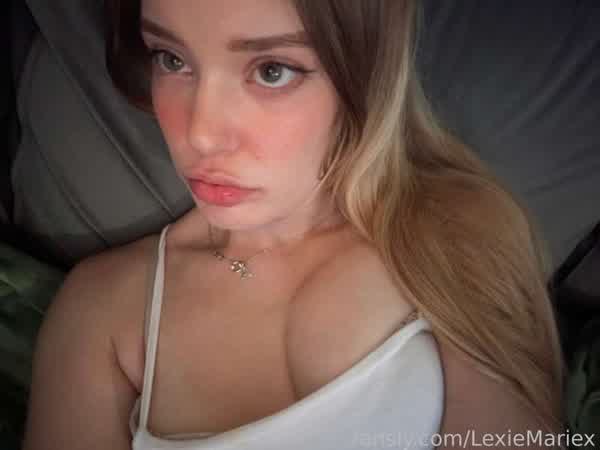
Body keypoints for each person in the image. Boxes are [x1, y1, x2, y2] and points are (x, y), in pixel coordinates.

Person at [22, 0, 566, 449]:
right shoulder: (103, 308)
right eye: (171, 59)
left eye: (271, 71)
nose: (202, 134)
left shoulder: (452, 236)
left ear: (366, 72)